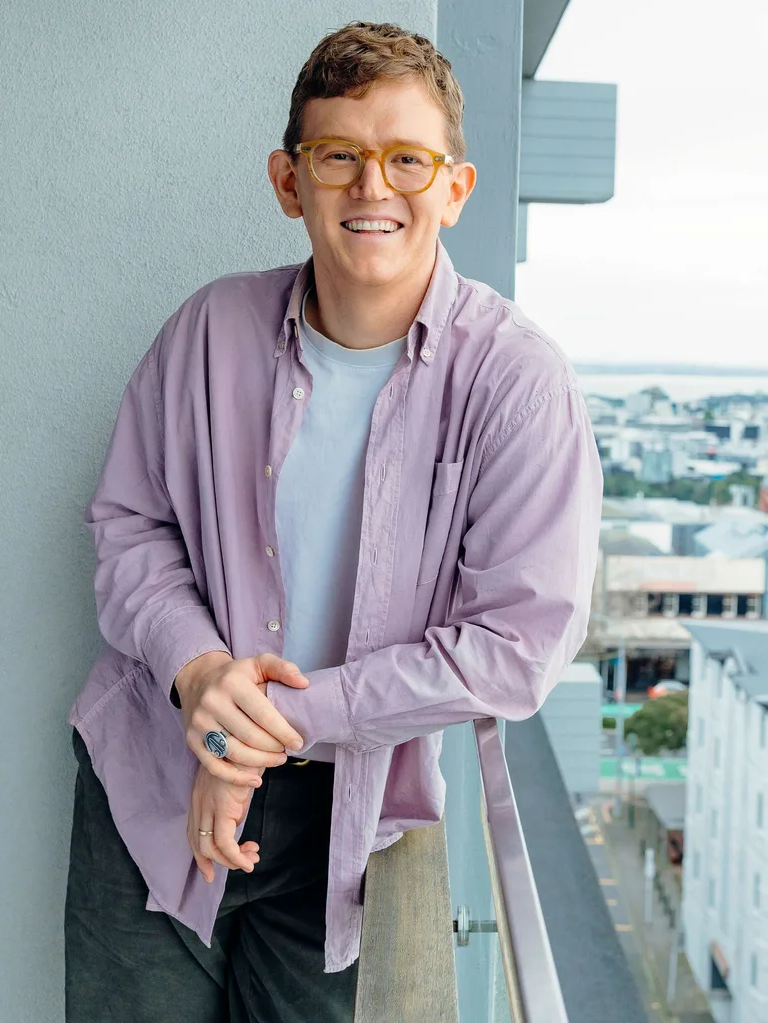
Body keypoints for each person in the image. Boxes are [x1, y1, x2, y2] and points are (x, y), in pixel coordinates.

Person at [64, 19, 603, 1023]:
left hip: (352, 806)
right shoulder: (204, 333)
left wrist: (262, 732)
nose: (372, 188)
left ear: (455, 187)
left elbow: (515, 649)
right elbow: (128, 528)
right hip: (151, 773)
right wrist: (200, 677)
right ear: (288, 181)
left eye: (406, 158)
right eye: (338, 157)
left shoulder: (519, 381)